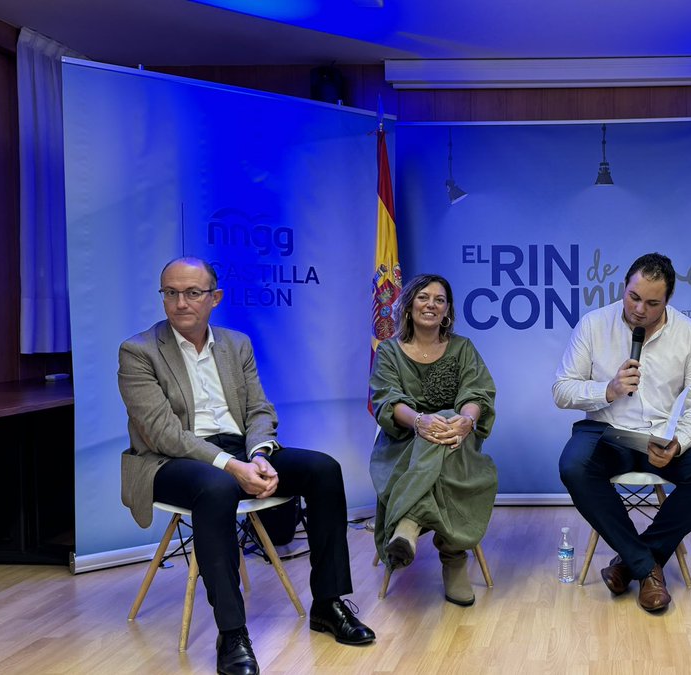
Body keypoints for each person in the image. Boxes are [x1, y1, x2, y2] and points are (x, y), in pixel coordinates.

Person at [119, 257, 374, 675]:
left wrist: (257, 455)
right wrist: (232, 468)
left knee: (323, 469)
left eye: (192, 293)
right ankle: (232, 632)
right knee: (216, 488)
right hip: (169, 461)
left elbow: (259, 409)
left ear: (215, 298)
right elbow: (162, 433)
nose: (181, 302)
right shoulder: (138, 351)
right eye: (171, 293)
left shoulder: (236, 344)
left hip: (239, 450)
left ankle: (328, 603)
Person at [554, 252, 691, 613]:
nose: (639, 309)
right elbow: (562, 389)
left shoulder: (690, 335)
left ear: (667, 301)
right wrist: (608, 389)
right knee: (573, 467)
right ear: (624, 287)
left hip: (663, 434)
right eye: (633, 297)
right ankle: (646, 568)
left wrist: (679, 443)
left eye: (652, 303)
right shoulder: (593, 324)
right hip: (605, 429)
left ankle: (629, 562)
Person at [368, 273, 497, 607]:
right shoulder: (389, 352)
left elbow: (477, 392)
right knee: (438, 435)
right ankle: (454, 562)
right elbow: (386, 400)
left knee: (448, 424)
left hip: (457, 441)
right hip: (402, 444)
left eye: (440, 299)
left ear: (448, 310)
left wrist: (466, 421)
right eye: (424, 297)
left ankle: (408, 524)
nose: (432, 304)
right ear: (409, 305)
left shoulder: (462, 348)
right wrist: (420, 421)